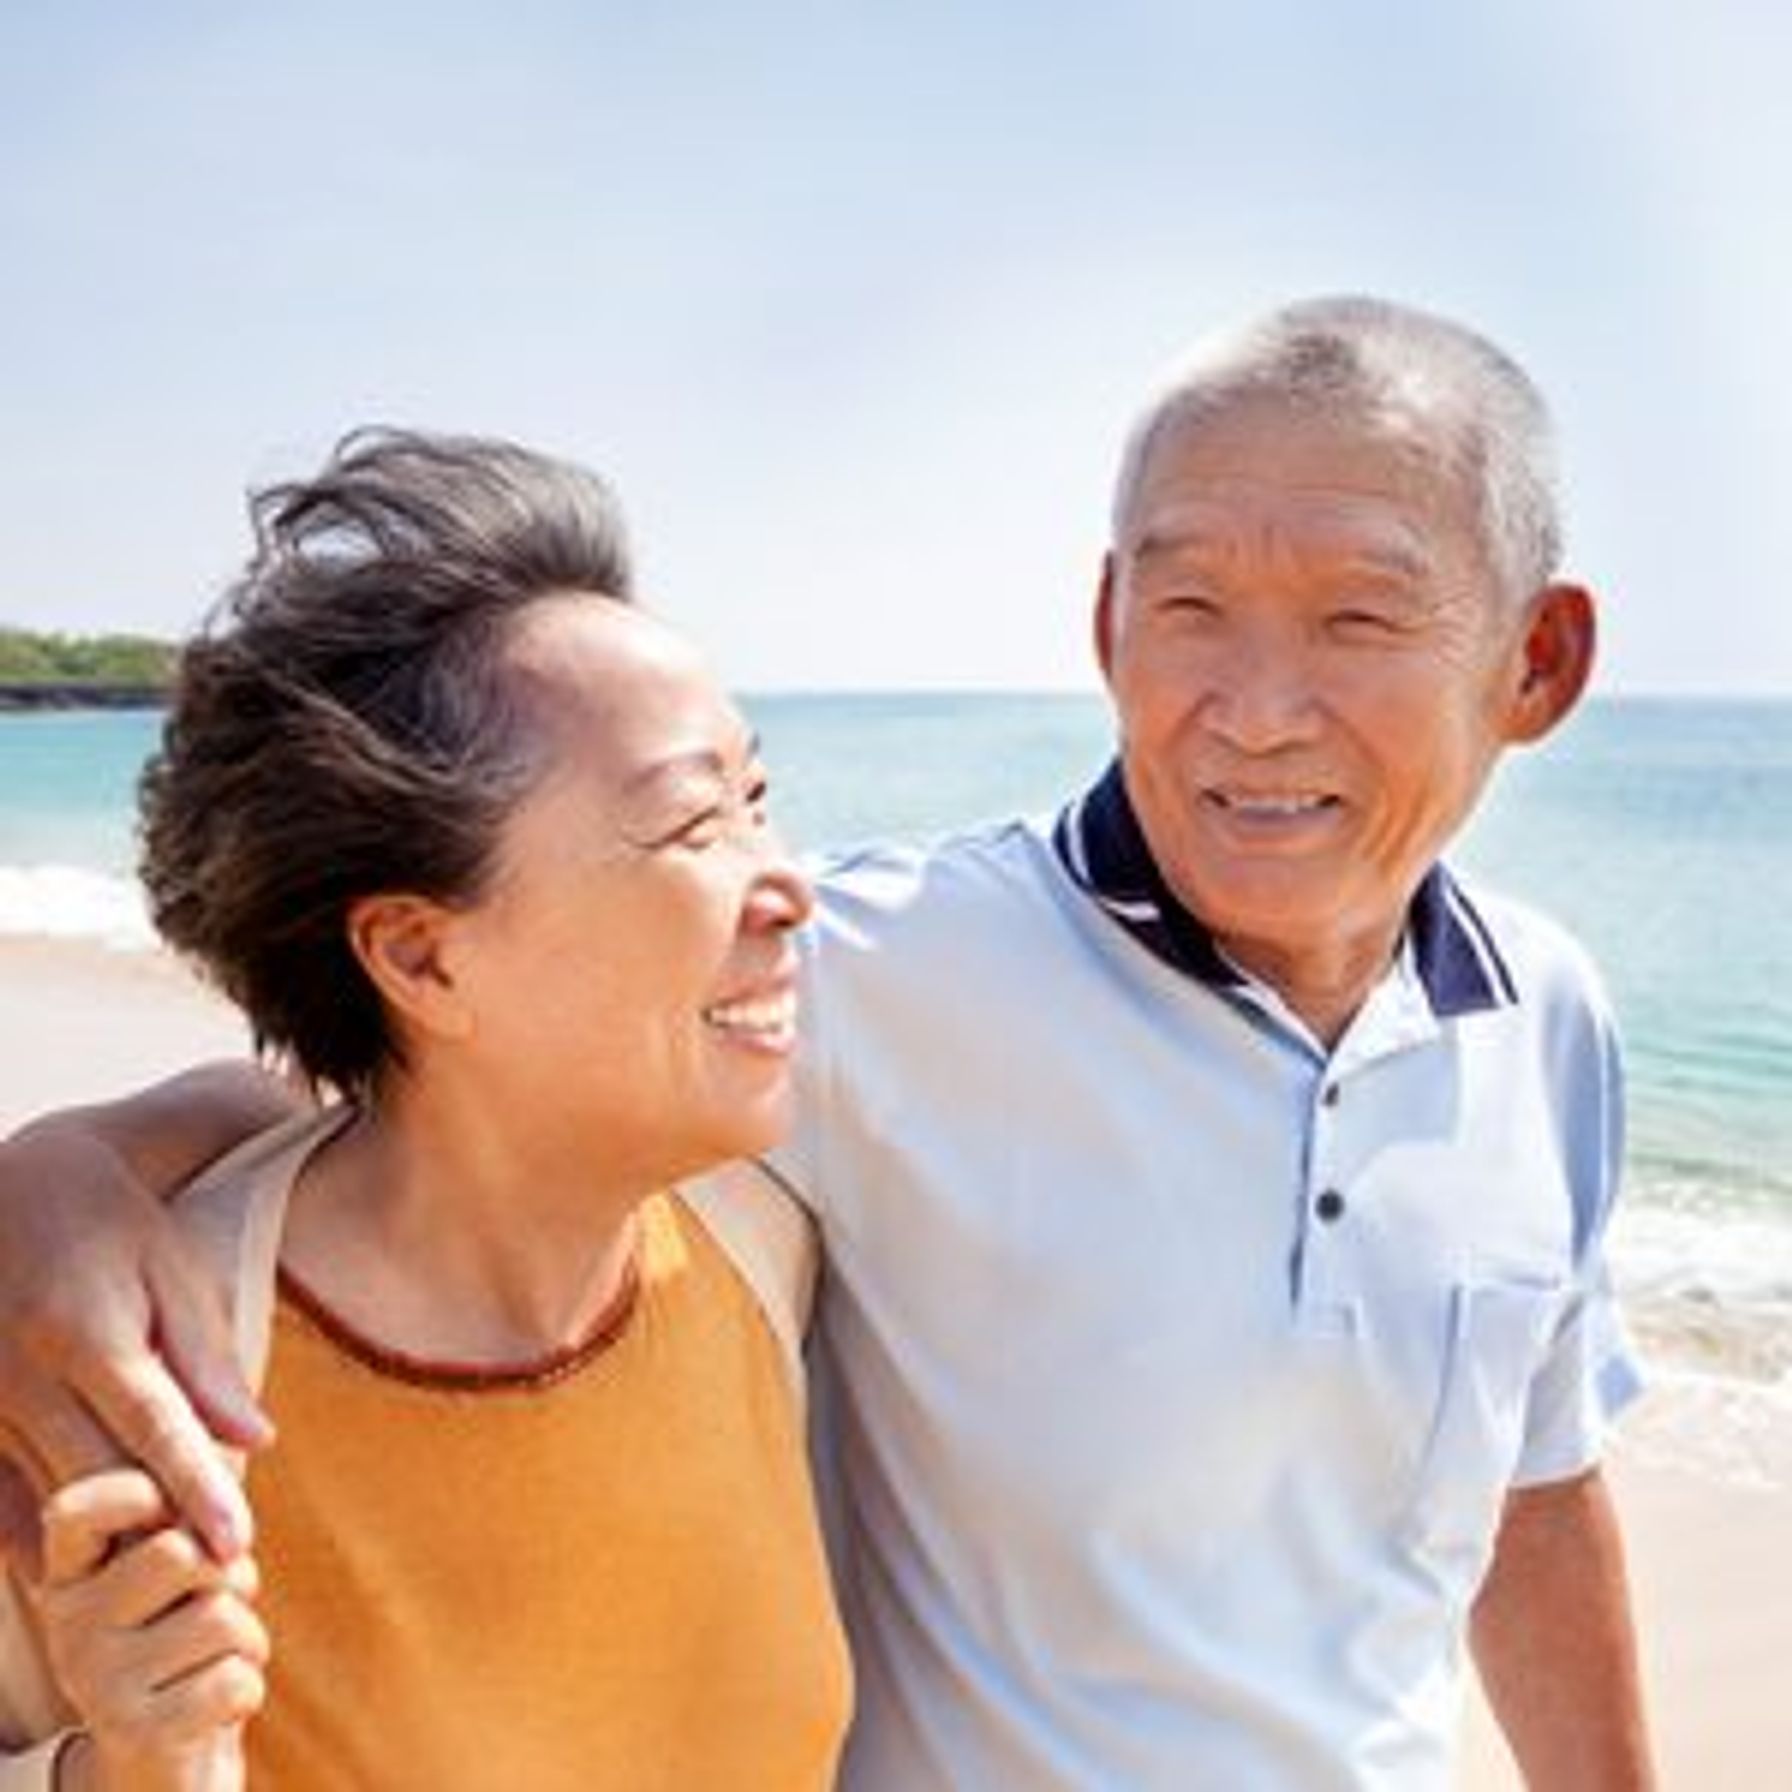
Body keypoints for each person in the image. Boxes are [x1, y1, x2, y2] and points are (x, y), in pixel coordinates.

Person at [0, 297, 1655, 1789]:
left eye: (1361, 619)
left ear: (1538, 662)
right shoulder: (859, 975)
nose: (1258, 704)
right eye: (1193, 602)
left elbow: (1534, 1476)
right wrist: (61, 1179)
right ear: (1106, 622)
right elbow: (438, 1073)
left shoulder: (1549, 1015)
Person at [0, 430, 850, 1789]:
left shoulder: (762, 1246)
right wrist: (139, 1766)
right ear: (421, 956)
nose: (791, 884)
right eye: (695, 828)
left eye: (756, 799)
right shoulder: (133, 1379)